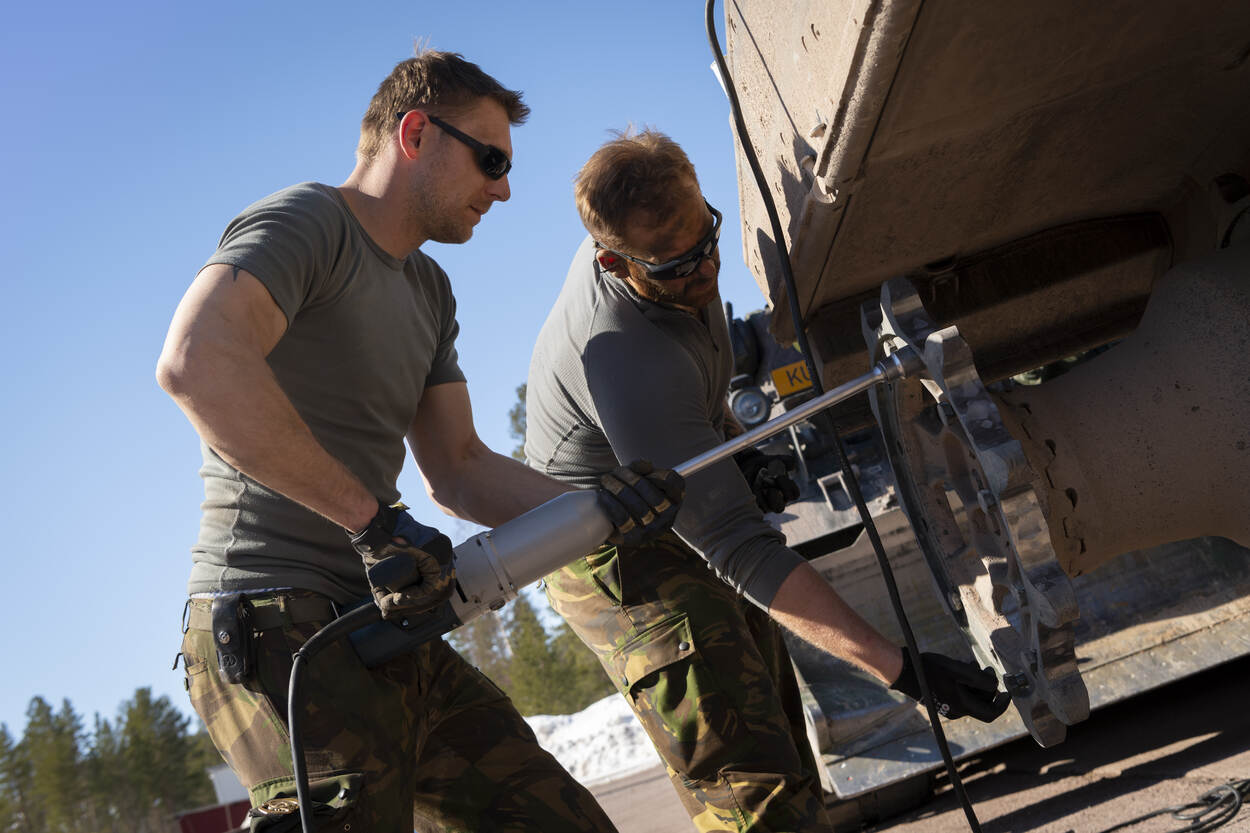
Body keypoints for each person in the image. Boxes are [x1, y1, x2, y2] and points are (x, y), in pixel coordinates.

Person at [156, 53, 682, 833]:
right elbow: (197, 360)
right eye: (491, 160)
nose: (503, 189)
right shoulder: (308, 222)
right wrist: (371, 523)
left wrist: (603, 505)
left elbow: (460, 470)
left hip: (383, 616)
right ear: (415, 134)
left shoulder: (429, 291)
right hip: (275, 625)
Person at [524, 130, 1010, 833]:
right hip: (611, 548)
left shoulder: (672, 256)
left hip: (666, 480)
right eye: (677, 265)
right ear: (614, 260)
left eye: (708, 241)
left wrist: (734, 450)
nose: (704, 272)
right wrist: (903, 670)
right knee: (752, 782)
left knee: (778, 726)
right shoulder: (627, 355)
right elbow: (737, 545)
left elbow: (701, 384)